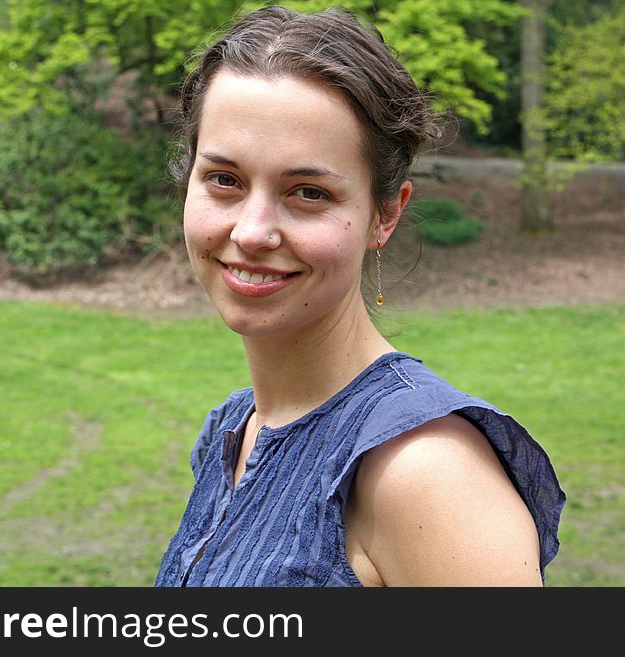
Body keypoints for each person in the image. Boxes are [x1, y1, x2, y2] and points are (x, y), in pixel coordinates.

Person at [154, 4, 565, 587]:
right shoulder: (233, 431)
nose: (251, 231)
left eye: (308, 192)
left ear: (385, 214)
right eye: (225, 180)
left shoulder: (424, 471)